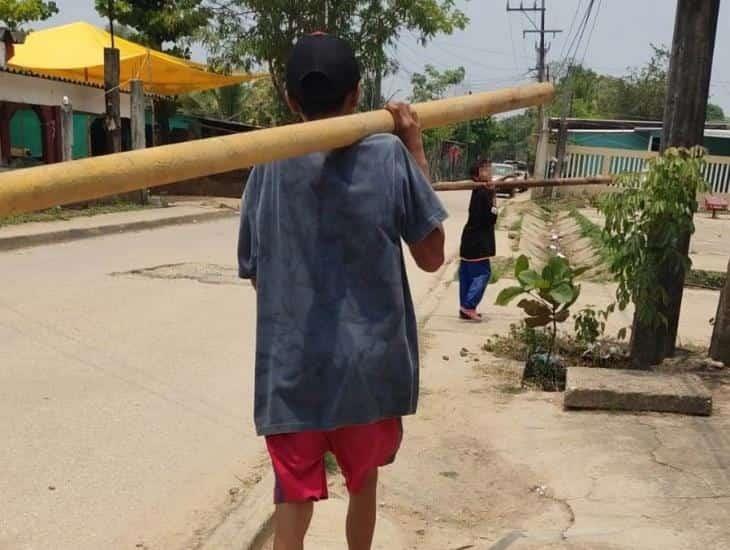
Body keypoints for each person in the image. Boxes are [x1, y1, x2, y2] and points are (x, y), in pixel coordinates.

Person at [237, 32, 447, 550]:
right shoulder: (388, 157)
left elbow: (256, 272)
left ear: (290, 102)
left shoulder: (267, 162)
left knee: (291, 498)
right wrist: (415, 147)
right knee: (364, 482)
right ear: (356, 96)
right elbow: (432, 255)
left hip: (294, 371)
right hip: (367, 371)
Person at [458, 161, 498, 322]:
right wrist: (493, 197)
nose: (488, 171)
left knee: (466, 275)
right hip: (478, 242)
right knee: (482, 274)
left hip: (469, 239)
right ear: (476, 175)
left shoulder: (478, 190)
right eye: (484, 169)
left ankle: (465, 308)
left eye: (489, 168)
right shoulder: (484, 192)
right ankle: (469, 306)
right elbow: (491, 218)